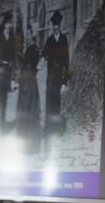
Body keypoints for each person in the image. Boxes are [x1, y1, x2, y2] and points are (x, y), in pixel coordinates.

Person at [41, 9, 69, 137]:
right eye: (53, 25)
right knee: (49, 103)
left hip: (59, 78)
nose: (55, 27)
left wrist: (65, 81)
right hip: (50, 78)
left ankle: (57, 129)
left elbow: (67, 62)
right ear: (52, 26)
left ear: (60, 26)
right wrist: (41, 60)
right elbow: (43, 55)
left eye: (57, 25)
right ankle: (48, 129)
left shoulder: (64, 40)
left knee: (57, 104)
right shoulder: (49, 40)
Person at [16, 24, 41, 151]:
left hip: (29, 85)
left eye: (28, 34)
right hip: (27, 83)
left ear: (32, 35)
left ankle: (30, 145)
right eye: (25, 34)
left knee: (29, 112)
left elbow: (31, 68)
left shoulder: (33, 49)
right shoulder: (29, 49)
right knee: (26, 112)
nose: (26, 36)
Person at [0, 11, 16, 128]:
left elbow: (13, 54)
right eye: (9, 23)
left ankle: (2, 122)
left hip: (7, 70)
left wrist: (11, 65)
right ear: (6, 23)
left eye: (11, 23)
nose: (11, 25)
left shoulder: (11, 38)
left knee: (5, 97)